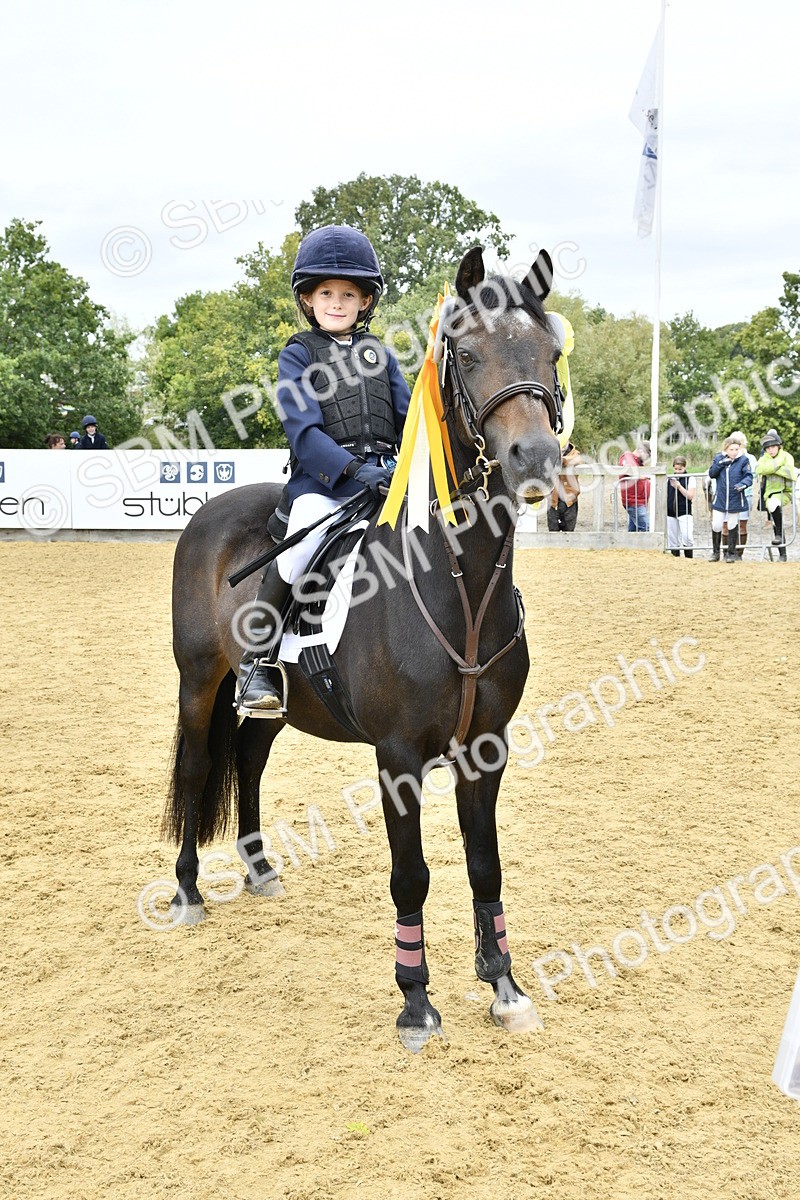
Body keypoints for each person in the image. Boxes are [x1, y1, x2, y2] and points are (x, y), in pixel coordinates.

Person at [235, 225, 411, 716]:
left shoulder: (382, 355)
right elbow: (305, 434)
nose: (337, 302)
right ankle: (258, 661)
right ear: (308, 300)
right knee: (300, 552)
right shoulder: (298, 353)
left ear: (365, 300)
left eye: (348, 294)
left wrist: (401, 465)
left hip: (385, 479)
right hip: (324, 484)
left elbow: (411, 418)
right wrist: (356, 470)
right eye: (326, 293)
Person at [708, 435, 752, 562]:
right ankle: (715, 552)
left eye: (736, 449)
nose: (734, 452)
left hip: (735, 498)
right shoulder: (718, 458)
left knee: (733, 524)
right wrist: (721, 463)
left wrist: (742, 485)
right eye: (731, 449)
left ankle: (731, 553)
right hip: (720, 498)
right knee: (716, 525)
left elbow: (748, 476)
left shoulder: (743, 460)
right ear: (726, 449)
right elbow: (712, 473)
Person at [755, 428, 796, 563]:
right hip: (770, 494)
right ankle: (782, 554)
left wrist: (771, 468)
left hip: (785, 492)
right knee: (774, 515)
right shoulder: (763, 458)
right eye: (768, 448)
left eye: (773, 447)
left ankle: (779, 535)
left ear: (778, 446)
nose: (770, 450)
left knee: (774, 507)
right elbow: (760, 469)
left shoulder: (787, 456)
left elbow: (790, 472)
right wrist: (778, 466)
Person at [727, 430, 757, 558]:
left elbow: (752, 474)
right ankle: (728, 552)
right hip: (729, 494)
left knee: (742, 525)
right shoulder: (727, 457)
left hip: (746, 494)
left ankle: (739, 553)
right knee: (728, 524)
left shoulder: (750, 458)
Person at [547, 442, 581, 532]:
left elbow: (576, 460)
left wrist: (560, 460)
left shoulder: (575, 454)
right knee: (552, 532)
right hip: (553, 501)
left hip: (570, 501)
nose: (562, 445)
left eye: (564, 442)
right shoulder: (550, 453)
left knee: (569, 532)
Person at [666, 453, 695, 557]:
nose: (677, 472)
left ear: (684, 467)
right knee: (673, 539)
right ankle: (675, 558)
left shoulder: (690, 478)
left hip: (684, 511)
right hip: (670, 512)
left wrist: (679, 487)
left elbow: (690, 495)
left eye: (680, 469)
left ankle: (688, 557)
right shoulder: (668, 479)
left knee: (687, 537)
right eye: (676, 469)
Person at [619, 440, 651, 531]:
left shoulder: (637, 462)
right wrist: (640, 476)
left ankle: (628, 545)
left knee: (634, 531)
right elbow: (627, 469)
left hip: (640, 501)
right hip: (634, 501)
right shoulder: (627, 458)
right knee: (646, 527)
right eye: (647, 455)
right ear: (641, 450)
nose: (647, 458)